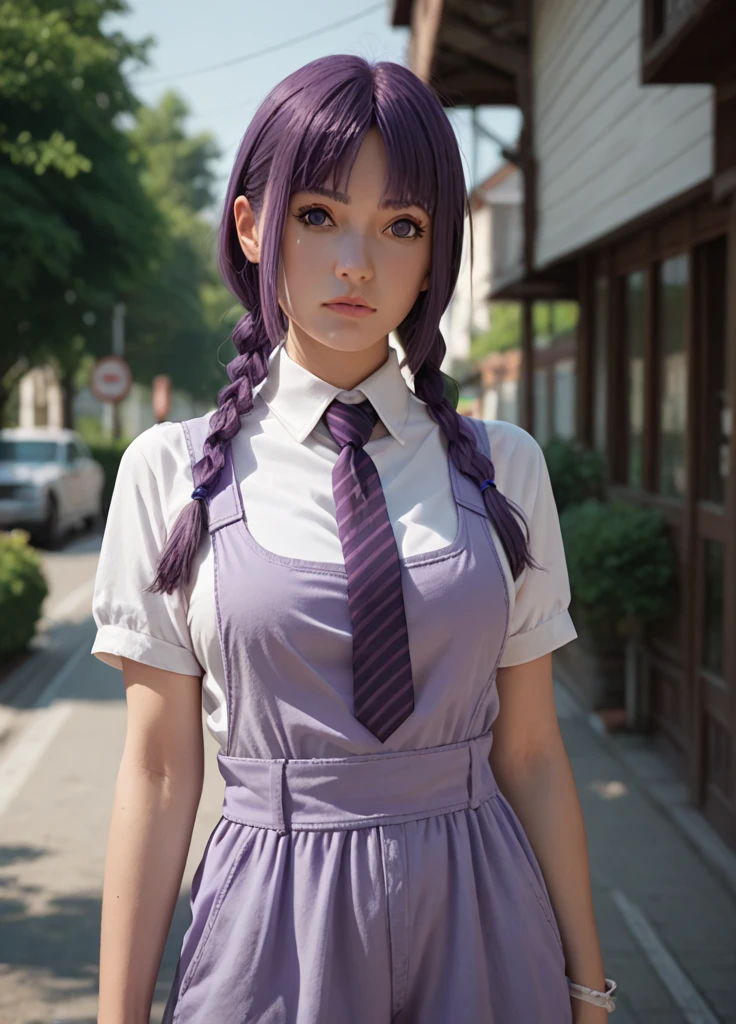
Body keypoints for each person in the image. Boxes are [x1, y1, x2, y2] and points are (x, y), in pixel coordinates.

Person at [92, 54, 617, 1023]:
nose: (356, 265)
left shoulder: (503, 468)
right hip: (268, 931)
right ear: (253, 226)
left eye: (400, 226)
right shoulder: (170, 475)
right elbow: (161, 772)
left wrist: (587, 986)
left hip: (485, 915)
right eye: (319, 215)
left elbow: (534, 752)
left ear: (435, 255)